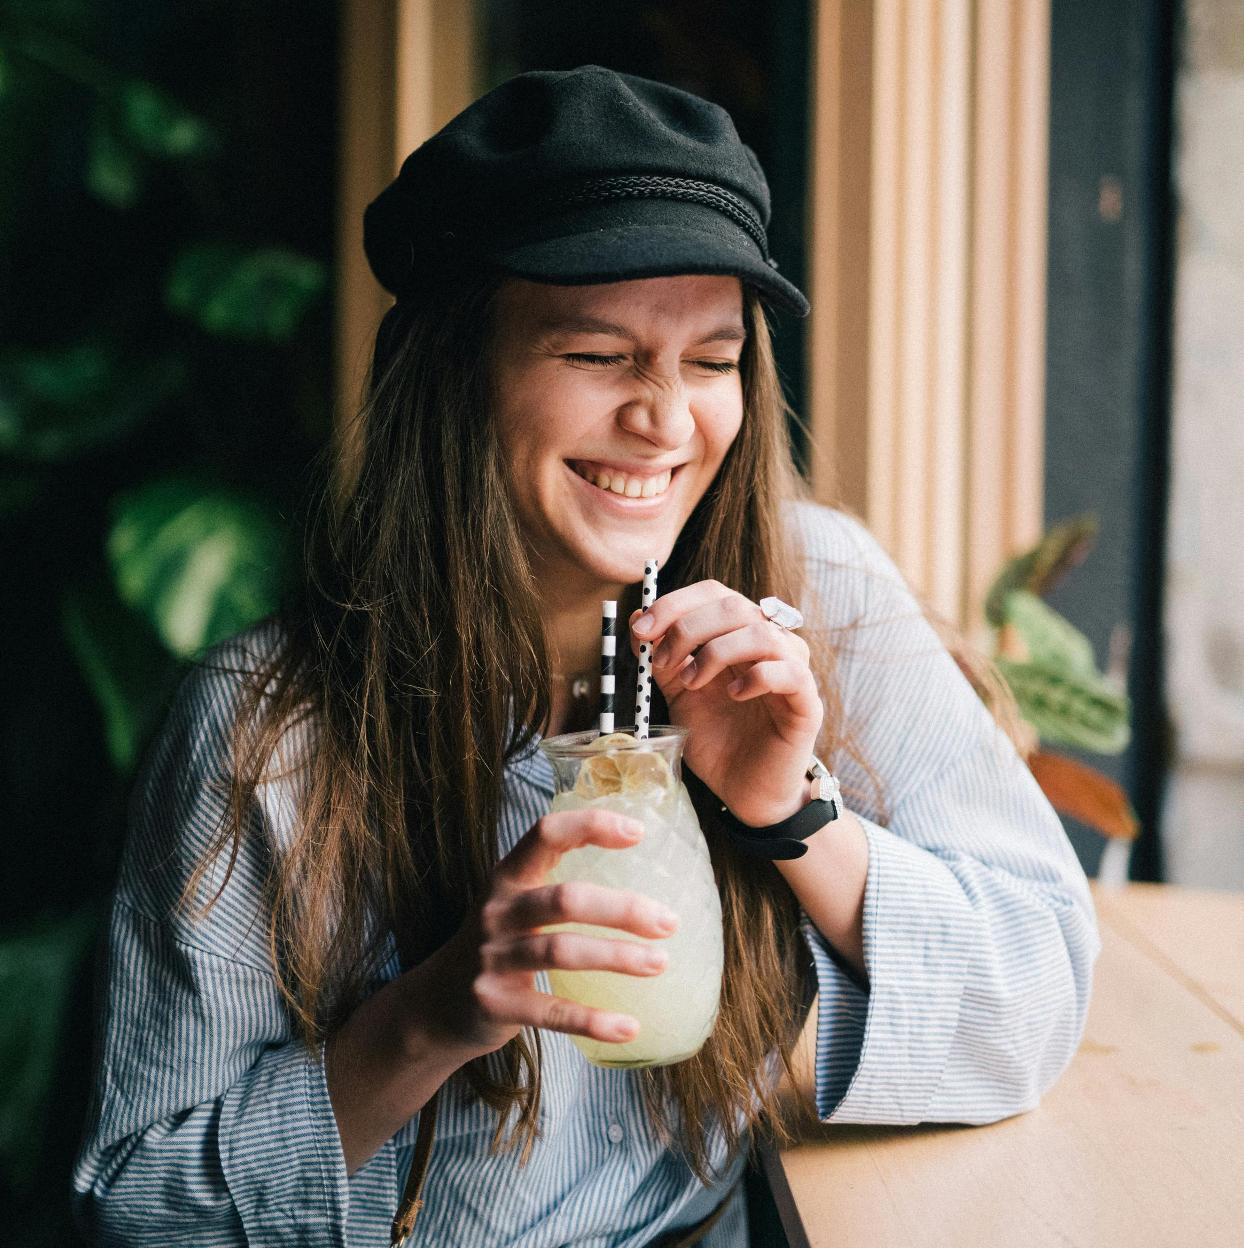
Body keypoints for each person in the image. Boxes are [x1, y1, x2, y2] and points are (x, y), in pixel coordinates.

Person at [72, 66, 1100, 1247]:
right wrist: (435, 1011)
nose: (664, 419)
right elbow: (139, 1209)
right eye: (599, 355)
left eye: (710, 362)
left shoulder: (816, 594)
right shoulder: (269, 728)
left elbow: (1033, 1001)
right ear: (455, 373)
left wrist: (788, 816)